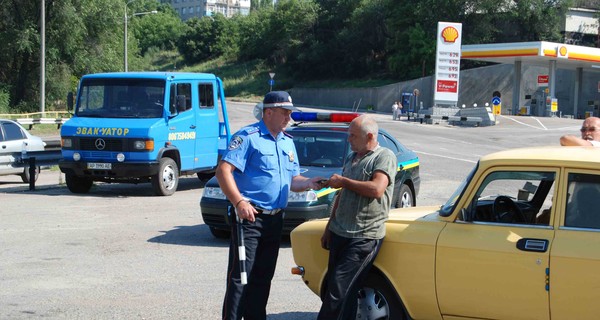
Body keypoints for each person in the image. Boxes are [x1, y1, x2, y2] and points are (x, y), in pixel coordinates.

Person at [217, 91, 325, 320]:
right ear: (268, 112)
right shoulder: (248, 137)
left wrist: (309, 183)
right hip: (250, 218)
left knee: (263, 277)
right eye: (284, 112)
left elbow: (292, 180)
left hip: (275, 219)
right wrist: (238, 201)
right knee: (241, 277)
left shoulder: (287, 141)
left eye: (290, 113)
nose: (288, 117)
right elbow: (223, 171)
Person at [318, 115, 397, 319]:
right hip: (340, 232)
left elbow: (377, 189)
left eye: (353, 135)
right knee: (336, 291)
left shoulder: (384, 156)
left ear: (369, 136)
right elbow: (341, 195)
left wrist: (344, 181)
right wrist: (329, 227)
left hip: (363, 236)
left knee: (338, 291)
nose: (348, 139)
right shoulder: (352, 158)